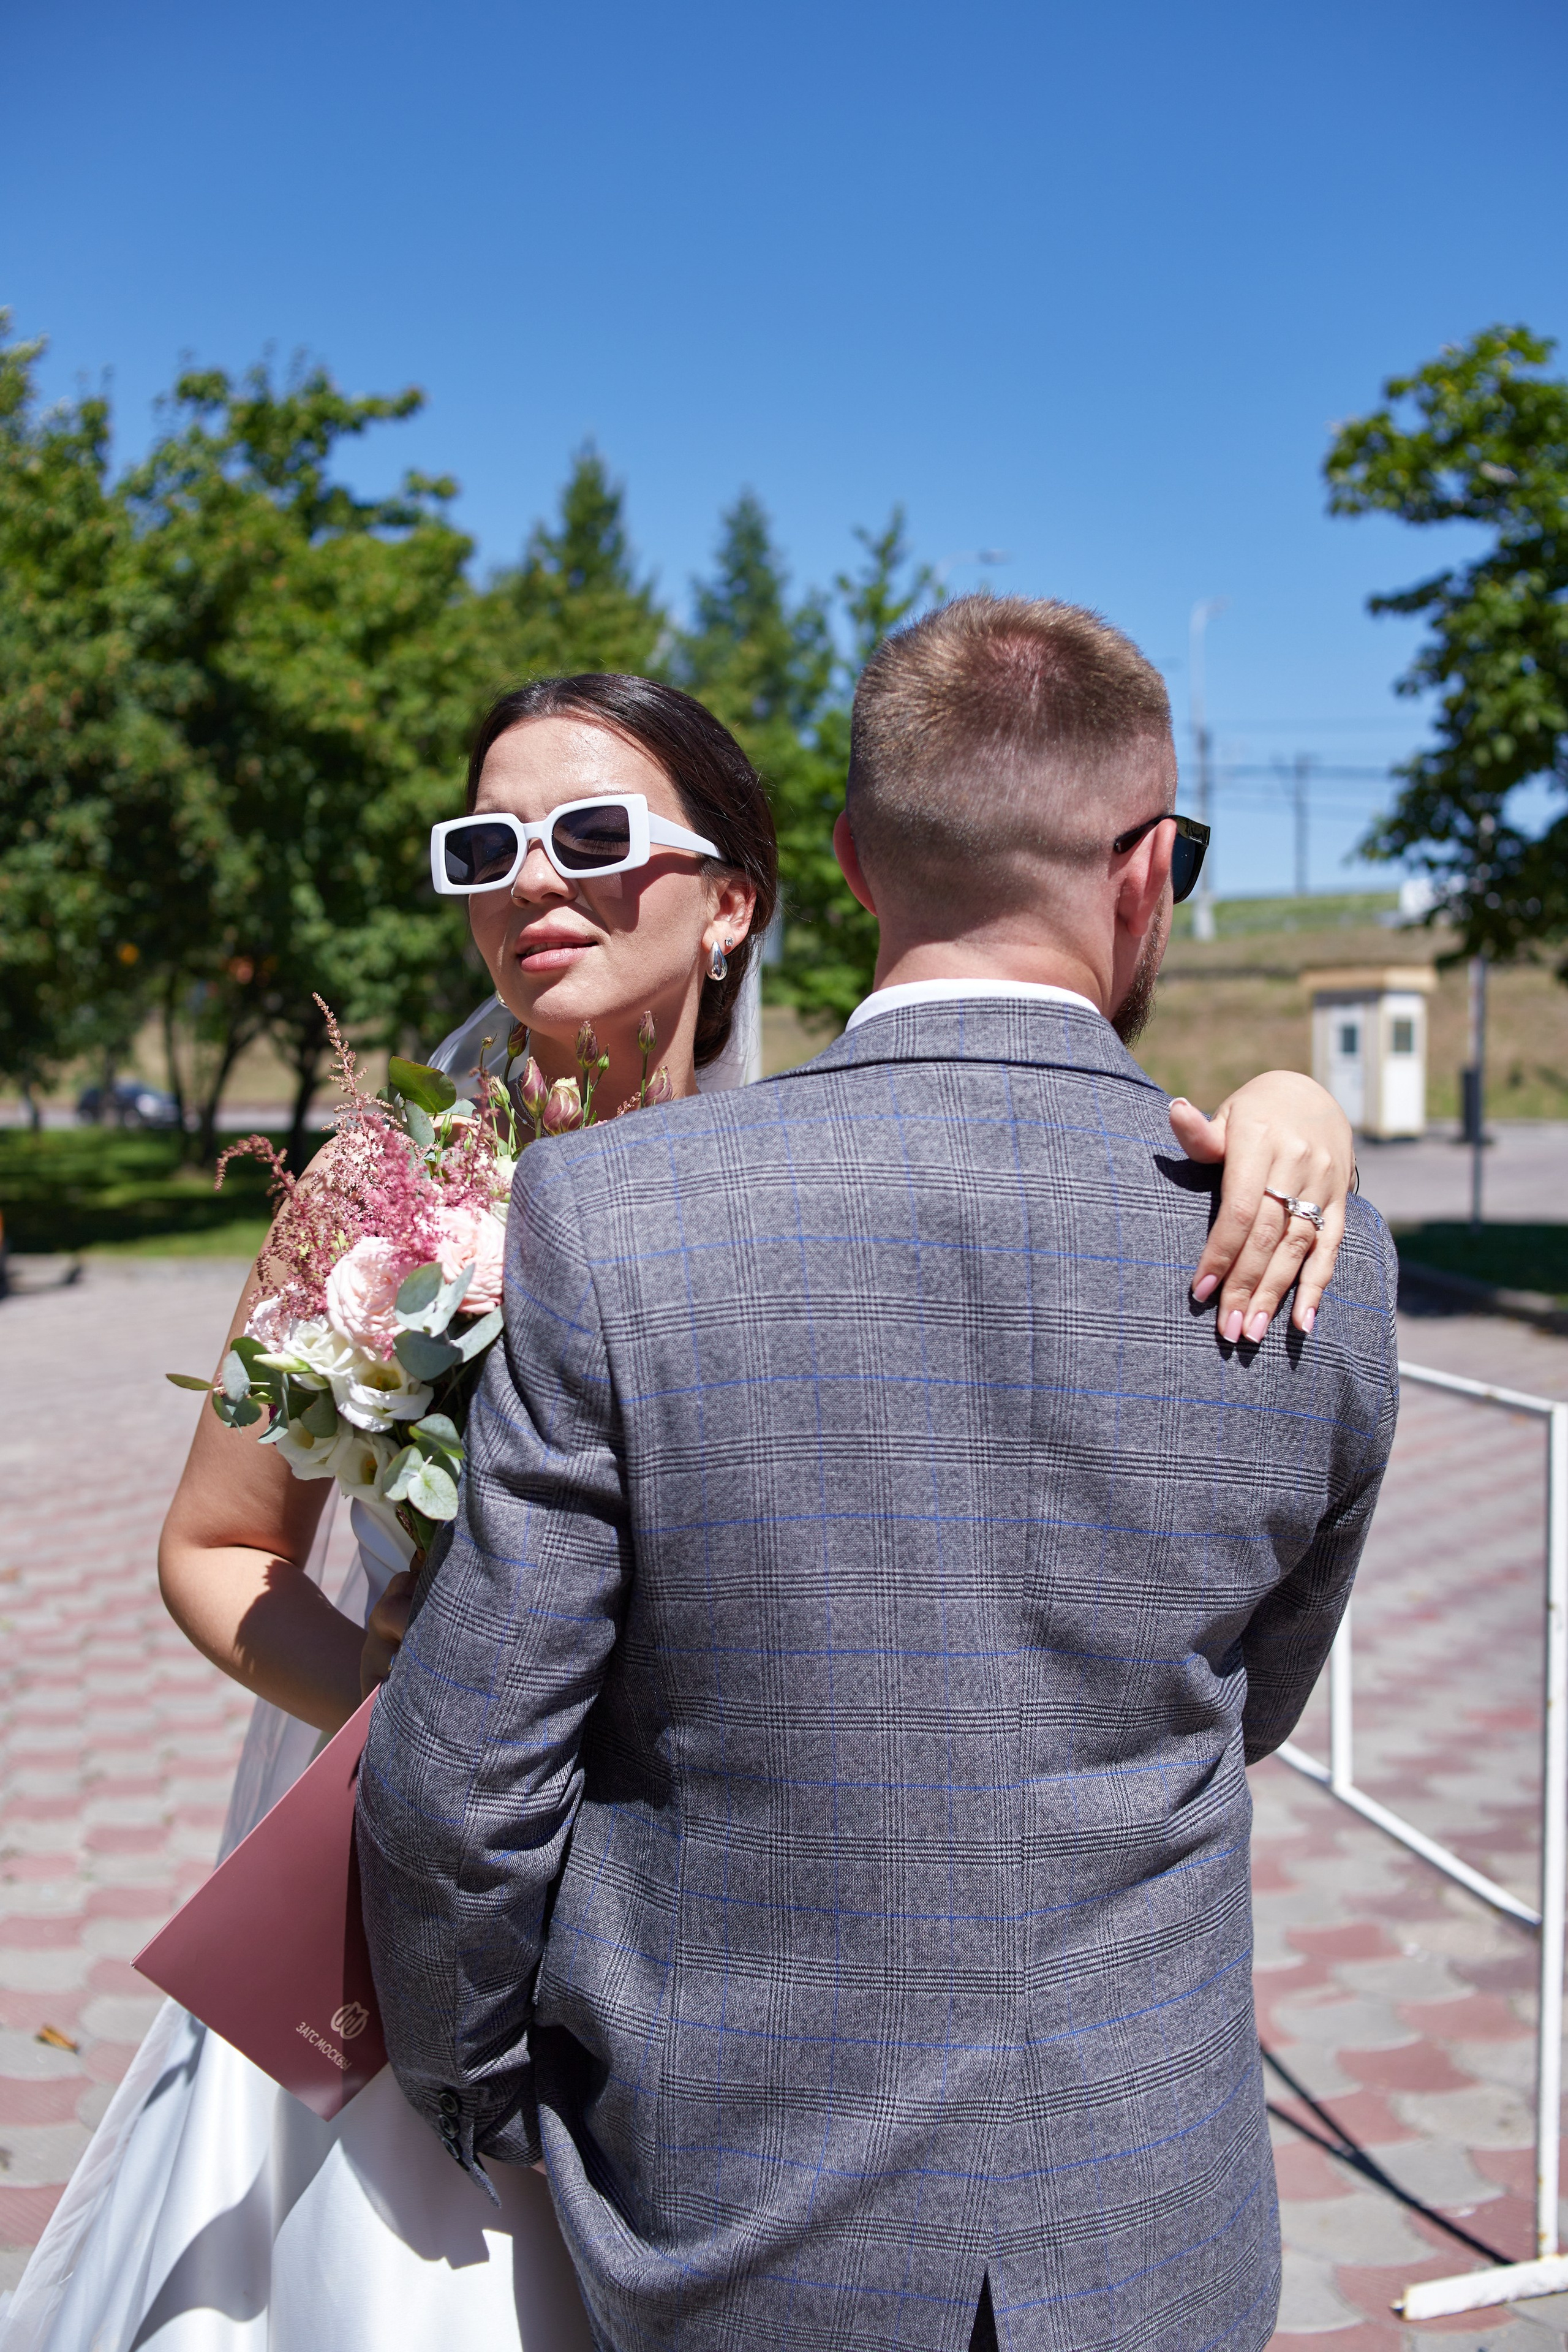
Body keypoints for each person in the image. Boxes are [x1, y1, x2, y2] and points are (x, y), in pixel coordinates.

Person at [4, 663, 1360, 2352]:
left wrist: (1296, 1108)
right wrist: (388, 1686)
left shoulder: (798, 1170)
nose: (532, 884)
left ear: (734, 905)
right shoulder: (373, 1192)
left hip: (716, 1969)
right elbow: (214, 1548)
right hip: (409, 1899)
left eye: (589, 835)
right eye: (484, 847)